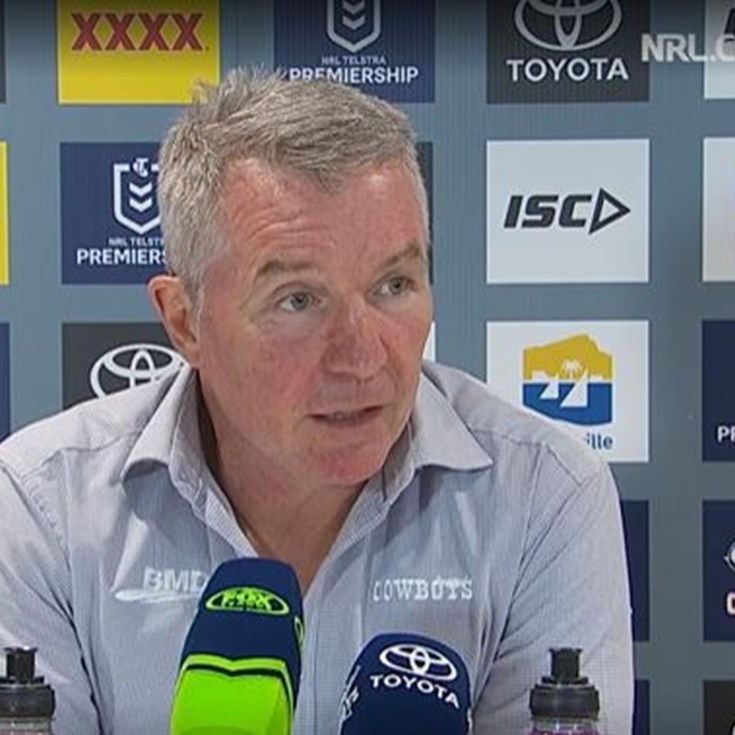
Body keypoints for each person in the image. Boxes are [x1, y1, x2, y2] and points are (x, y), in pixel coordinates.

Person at [0, 68, 633, 733]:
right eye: (297, 300)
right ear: (185, 320)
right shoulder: (43, 506)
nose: (361, 357)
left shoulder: (543, 494)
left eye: (393, 285)